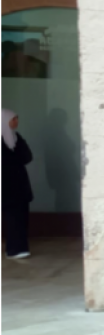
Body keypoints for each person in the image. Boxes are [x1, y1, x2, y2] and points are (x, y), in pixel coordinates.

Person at [2, 109, 34, 259]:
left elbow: (27, 157)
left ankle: (20, 248)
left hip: (19, 184)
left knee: (22, 217)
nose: (16, 122)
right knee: (13, 217)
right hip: (7, 185)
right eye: (13, 119)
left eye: (16, 119)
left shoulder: (16, 137)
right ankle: (13, 249)